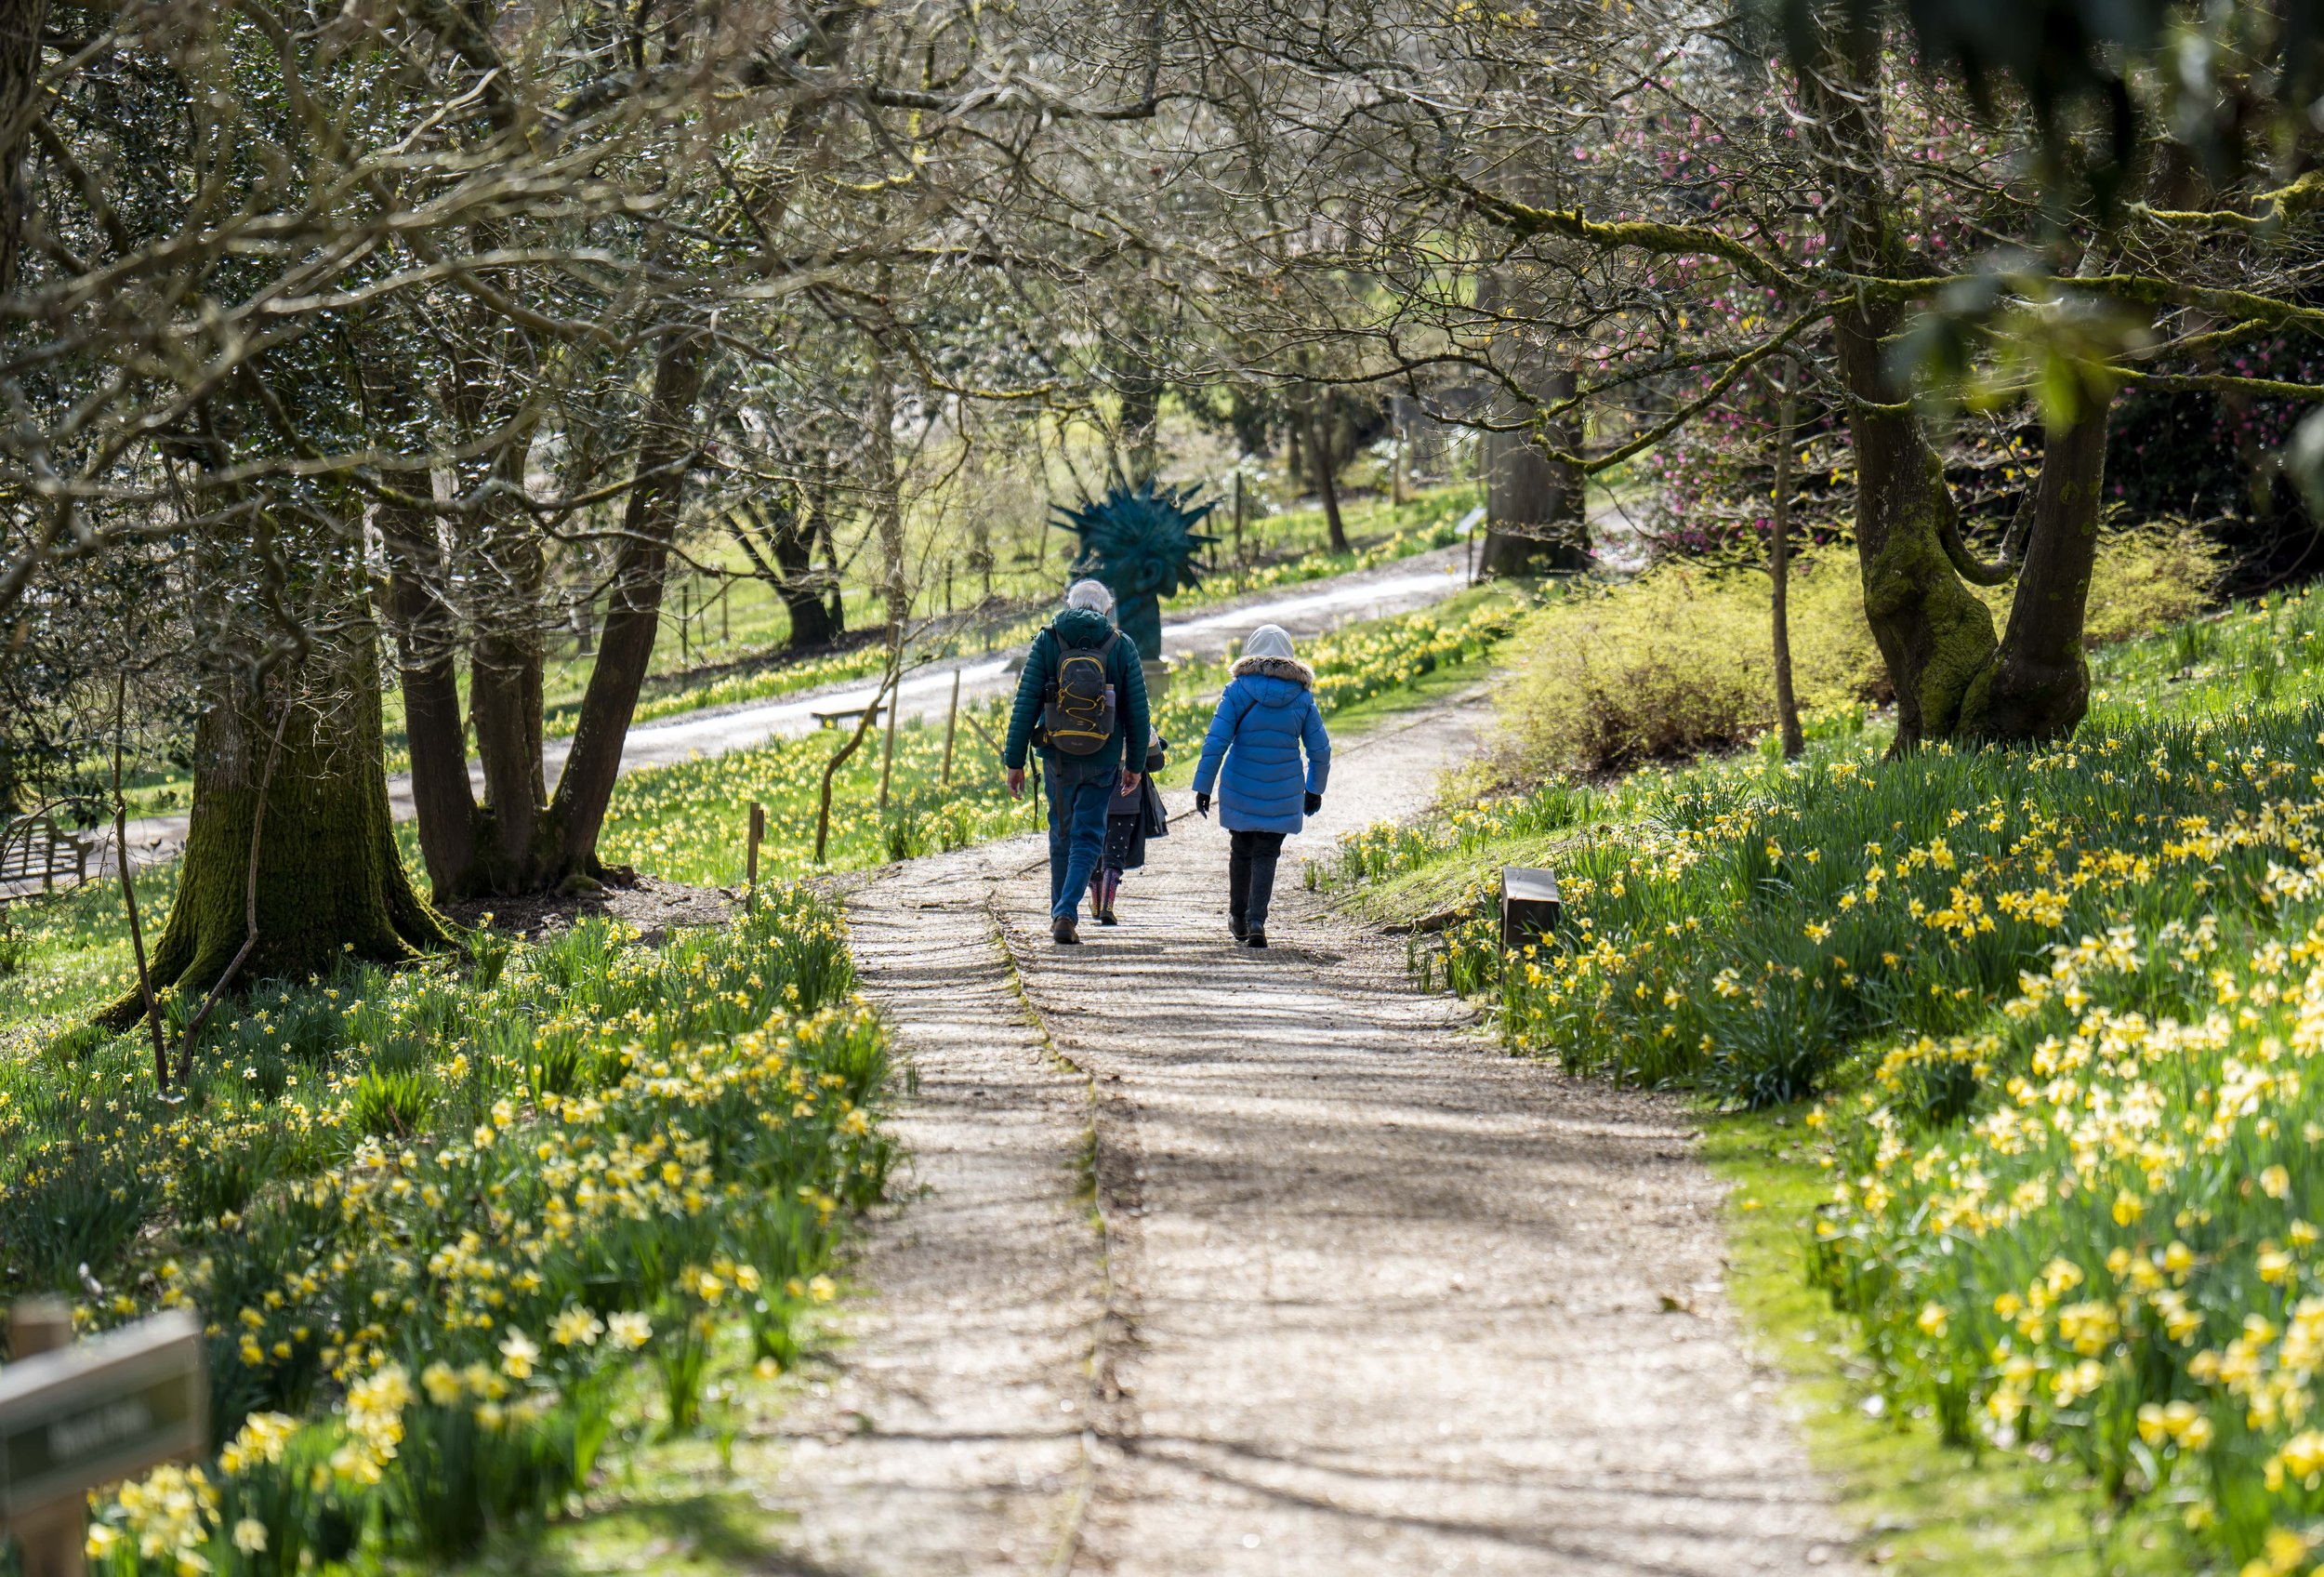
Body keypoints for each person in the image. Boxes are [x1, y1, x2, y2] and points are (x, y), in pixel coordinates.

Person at [1004, 578, 1151, 944]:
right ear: (1105, 611)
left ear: (1070, 606)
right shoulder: (1121, 645)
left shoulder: (1048, 641)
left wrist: (1014, 760)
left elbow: (1026, 704)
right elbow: (1137, 712)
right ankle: (1065, 911)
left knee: (1061, 832)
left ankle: (1061, 911)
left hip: (1057, 755)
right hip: (1102, 756)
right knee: (1088, 835)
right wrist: (1134, 764)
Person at [1191, 624, 1329, 949]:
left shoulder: (1238, 690)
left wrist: (1204, 786)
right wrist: (1315, 789)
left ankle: (1237, 917)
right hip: (1283, 789)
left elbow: (1216, 741)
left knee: (1241, 849)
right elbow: (1320, 749)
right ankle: (1257, 920)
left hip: (1240, 785)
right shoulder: (1302, 697)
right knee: (1267, 851)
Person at [1088, 727, 1169, 924]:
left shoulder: (1087, 716)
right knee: (1116, 849)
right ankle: (1108, 904)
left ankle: (1096, 902)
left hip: (1090, 790)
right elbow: (1156, 763)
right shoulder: (1137, 716)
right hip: (1127, 793)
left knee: (1092, 845)